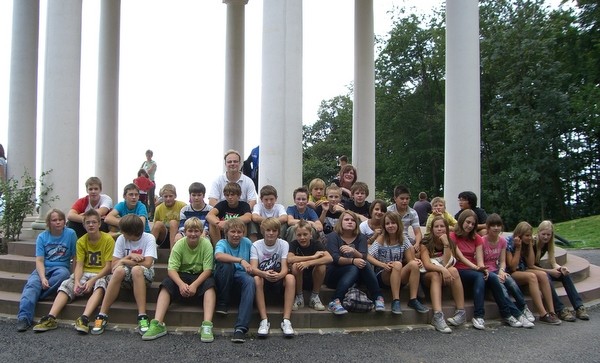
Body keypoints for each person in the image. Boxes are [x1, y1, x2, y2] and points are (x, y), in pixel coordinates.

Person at [33, 209, 114, 334]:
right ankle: (51, 317)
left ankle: (84, 318)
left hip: (101, 273)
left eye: (94, 222)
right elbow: (79, 265)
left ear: (99, 224)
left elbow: (108, 266)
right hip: (85, 272)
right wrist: (76, 281)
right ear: (84, 225)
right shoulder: (81, 241)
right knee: (66, 284)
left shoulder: (107, 239)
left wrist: (92, 280)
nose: (91, 225)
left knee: (100, 285)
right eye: (88, 223)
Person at [142, 217, 216, 342]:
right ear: (185, 232)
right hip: (181, 275)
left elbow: (208, 270)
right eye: (190, 231)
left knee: (210, 285)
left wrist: (194, 285)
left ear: (201, 232)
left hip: (199, 275)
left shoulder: (206, 244)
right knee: (166, 284)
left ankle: (207, 325)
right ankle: (157, 323)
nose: (193, 234)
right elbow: (171, 269)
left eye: (196, 231)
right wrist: (181, 284)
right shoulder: (179, 245)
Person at [452, 209, 523, 330]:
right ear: (461, 221)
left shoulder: (477, 238)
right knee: (479, 276)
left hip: (475, 269)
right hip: (459, 269)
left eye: (472, 224)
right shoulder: (453, 236)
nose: (470, 226)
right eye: (467, 222)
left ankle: (507, 314)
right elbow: (460, 257)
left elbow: (480, 260)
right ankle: (479, 315)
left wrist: (483, 269)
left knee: (493, 277)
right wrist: (477, 269)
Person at [91, 214, 158, 335]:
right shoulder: (122, 239)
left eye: (123, 231)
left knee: (137, 270)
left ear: (132, 232)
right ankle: (102, 314)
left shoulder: (149, 238)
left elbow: (147, 263)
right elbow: (114, 266)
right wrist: (128, 256)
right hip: (124, 275)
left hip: (144, 276)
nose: (121, 233)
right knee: (119, 270)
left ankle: (142, 315)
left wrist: (123, 260)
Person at [16, 209, 76, 332]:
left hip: (61, 267)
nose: (58, 222)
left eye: (60, 220)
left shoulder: (70, 234)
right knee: (32, 284)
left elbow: (76, 257)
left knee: (63, 274)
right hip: (44, 267)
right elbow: (39, 260)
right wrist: (42, 277)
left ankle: (37, 295)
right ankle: (24, 318)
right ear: (49, 222)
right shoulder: (42, 237)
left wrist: (74, 275)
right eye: (54, 220)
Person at [367, 211, 428, 315]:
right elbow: (368, 255)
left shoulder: (403, 239)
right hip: (383, 275)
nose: (390, 226)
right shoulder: (382, 238)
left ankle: (413, 299)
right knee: (398, 264)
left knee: (413, 264)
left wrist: (417, 261)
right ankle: (396, 300)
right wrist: (382, 265)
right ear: (384, 226)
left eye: (393, 223)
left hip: (398, 274)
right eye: (387, 223)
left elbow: (410, 260)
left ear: (398, 224)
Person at [325, 211, 385, 315]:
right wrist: (352, 260)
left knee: (363, 263)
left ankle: (378, 297)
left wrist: (353, 251)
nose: (350, 222)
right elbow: (335, 259)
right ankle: (335, 300)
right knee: (354, 267)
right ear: (341, 222)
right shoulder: (333, 236)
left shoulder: (360, 237)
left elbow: (364, 255)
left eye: (353, 220)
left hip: (356, 276)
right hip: (334, 275)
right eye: (346, 220)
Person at [482, 214, 535, 328]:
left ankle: (523, 307)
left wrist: (501, 271)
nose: (496, 228)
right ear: (488, 227)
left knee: (510, 281)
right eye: (493, 226)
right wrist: (494, 274)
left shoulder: (502, 241)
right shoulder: (482, 241)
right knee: (503, 290)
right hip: (486, 272)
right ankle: (517, 315)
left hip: (496, 269)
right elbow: (480, 263)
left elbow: (502, 261)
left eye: (498, 225)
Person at [530, 220, 589, 321]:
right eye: (543, 234)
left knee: (564, 275)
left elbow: (553, 262)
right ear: (538, 232)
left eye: (548, 234)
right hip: (532, 270)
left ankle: (579, 306)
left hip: (540, 269)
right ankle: (560, 309)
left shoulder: (548, 244)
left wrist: (560, 268)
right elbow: (530, 266)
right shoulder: (532, 243)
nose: (545, 237)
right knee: (547, 277)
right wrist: (551, 271)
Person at [506, 221, 562, 325]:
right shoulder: (509, 242)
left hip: (523, 269)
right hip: (511, 273)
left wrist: (530, 244)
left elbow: (531, 263)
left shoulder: (528, 242)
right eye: (527, 236)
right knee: (532, 276)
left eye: (530, 235)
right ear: (519, 235)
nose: (529, 237)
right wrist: (518, 248)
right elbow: (512, 267)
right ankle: (543, 314)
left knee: (543, 275)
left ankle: (551, 312)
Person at [420, 216, 466, 333]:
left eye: (442, 226)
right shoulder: (425, 242)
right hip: (428, 276)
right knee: (435, 274)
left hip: (444, 274)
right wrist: (443, 270)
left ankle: (461, 312)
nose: (439, 229)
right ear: (432, 229)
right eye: (436, 226)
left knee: (454, 270)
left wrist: (446, 244)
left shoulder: (449, 242)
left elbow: (447, 263)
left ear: (446, 229)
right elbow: (427, 265)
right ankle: (437, 315)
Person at [250, 218, 295, 338]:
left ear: (278, 232)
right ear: (262, 231)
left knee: (290, 278)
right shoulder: (255, 245)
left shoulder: (284, 244)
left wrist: (280, 275)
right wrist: (264, 274)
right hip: (263, 277)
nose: (271, 233)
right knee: (256, 279)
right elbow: (253, 268)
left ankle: (286, 320)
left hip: (278, 277)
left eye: (274, 230)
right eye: (268, 230)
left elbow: (285, 268)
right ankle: (264, 320)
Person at [213, 218, 256, 343]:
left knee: (250, 281)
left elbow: (253, 259)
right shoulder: (222, 243)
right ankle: (223, 302)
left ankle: (240, 329)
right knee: (227, 265)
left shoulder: (247, 242)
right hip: (224, 277)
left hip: (241, 276)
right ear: (226, 233)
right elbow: (218, 256)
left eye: (239, 232)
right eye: (233, 232)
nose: (236, 235)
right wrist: (240, 260)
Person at [288, 220, 332, 311]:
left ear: (310, 234)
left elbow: (329, 258)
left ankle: (314, 297)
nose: (302, 237)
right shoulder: (293, 244)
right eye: (299, 235)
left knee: (322, 266)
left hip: (314, 278)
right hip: (299, 279)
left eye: (305, 234)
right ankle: (299, 297)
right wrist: (313, 257)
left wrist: (308, 263)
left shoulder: (316, 244)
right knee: (296, 266)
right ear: (295, 235)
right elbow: (290, 259)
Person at [387, 185, 423, 252]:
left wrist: (417, 244)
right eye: (402, 198)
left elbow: (418, 233)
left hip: (406, 240)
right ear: (395, 198)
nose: (405, 201)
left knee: (422, 248)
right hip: (391, 240)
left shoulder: (413, 212)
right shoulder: (388, 211)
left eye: (407, 198)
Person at [151, 184, 186, 249]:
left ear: (175, 196)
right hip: (164, 236)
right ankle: (149, 249)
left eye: (170, 196)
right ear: (162, 197)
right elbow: (155, 225)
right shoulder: (158, 208)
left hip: (179, 235)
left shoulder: (182, 206)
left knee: (173, 222)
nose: (168, 199)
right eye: (165, 196)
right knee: (158, 224)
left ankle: (173, 253)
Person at [141, 149, 157, 220]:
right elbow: (140, 171)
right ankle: (146, 214)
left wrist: (144, 172)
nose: (148, 156)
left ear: (151, 155)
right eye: (147, 155)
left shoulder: (154, 163)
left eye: (149, 155)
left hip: (150, 182)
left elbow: (149, 171)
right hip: (144, 182)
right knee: (144, 198)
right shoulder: (144, 163)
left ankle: (152, 215)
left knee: (151, 198)